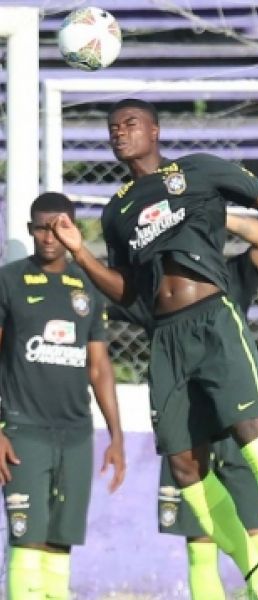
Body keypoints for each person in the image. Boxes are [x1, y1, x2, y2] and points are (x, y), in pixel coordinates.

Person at [50, 98, 258, 599]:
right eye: (112, 127)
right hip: (166, 338)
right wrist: (80, 252)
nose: (119, 133)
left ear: (155, 130)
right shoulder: (117, 212)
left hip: (213, 319)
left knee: (252, 437)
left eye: (130, 124)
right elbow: (127, 291)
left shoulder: (197, 171)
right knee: (184, 466)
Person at [108, 213, 258, 599]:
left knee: (257, 531)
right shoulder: (154, 290)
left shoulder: (227, 276)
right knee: (200, 541)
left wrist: (210, 210)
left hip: (235, 423)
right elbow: (97, 297)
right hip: (187, 425)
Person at [0, 192, 126, 599]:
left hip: (76, 434)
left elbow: (99, 367)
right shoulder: (9, 281)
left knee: (60, 543)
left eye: (59, 228)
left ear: (73, 230)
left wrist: (116, 436)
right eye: (41, 228)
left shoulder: (88, 284)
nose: (49, 237)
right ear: (30, 230)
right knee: (27, 539)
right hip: (24, 431)